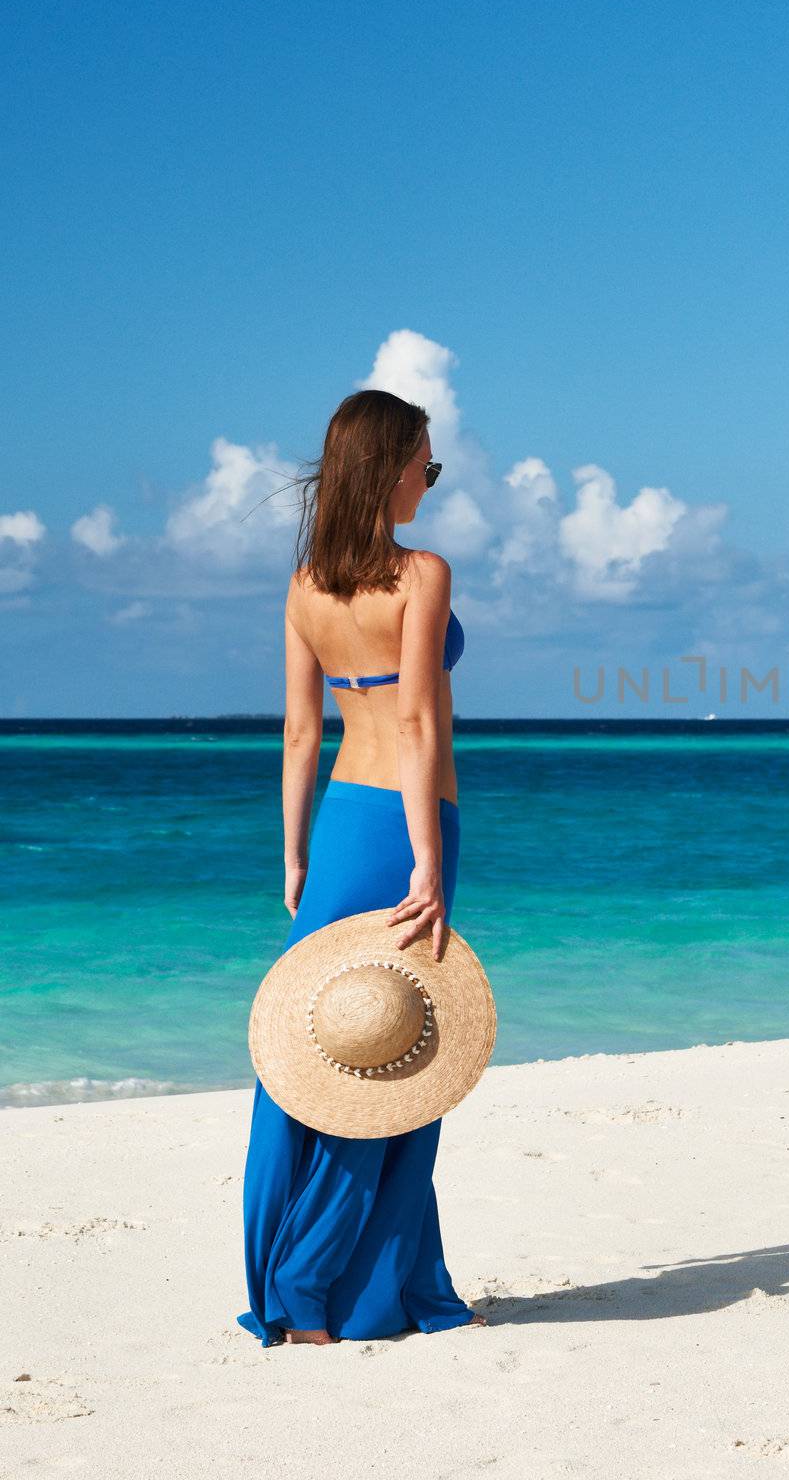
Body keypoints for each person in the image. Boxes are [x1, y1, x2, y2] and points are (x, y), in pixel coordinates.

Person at [237, 387, 488, 1346]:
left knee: (317, 1044)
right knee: (400, 1048)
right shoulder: (422, 574)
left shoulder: (306, 585)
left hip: (341, 818)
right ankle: (331, 1288)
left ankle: (325, 1285)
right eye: (426, 462)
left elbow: (303, 734)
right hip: (409, 824)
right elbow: (419, 719)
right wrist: (427, 856)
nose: (429, 478)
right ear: (387, 468)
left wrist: (294, 850)